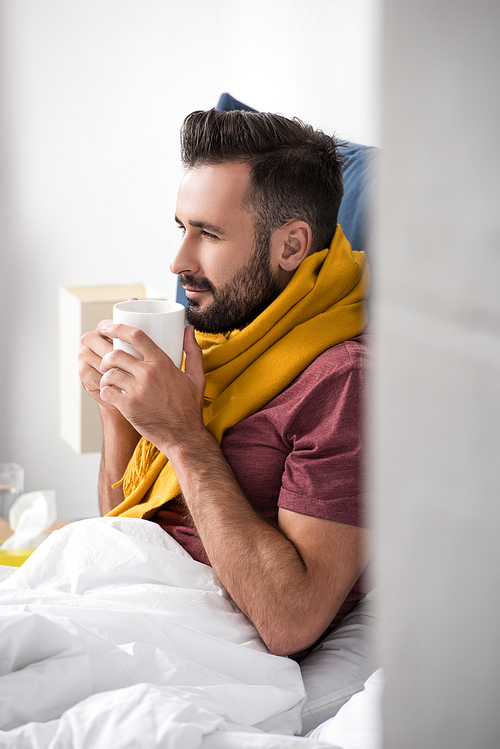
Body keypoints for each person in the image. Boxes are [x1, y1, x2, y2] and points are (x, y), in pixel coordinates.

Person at [78, 108, 370, 662]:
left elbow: (292, 620)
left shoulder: (344, 382)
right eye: (182, 228)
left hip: (188, 641)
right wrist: (119, 414)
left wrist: (184, 439)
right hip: (118, 599)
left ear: (291, 247)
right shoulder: (216, 339)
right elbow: (120, 521)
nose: (178, 261)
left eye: (208, 234)